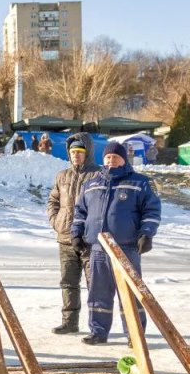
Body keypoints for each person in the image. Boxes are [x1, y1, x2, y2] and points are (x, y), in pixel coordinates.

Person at [70, 142, 161, 344]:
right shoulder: (91, 184)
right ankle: (98, 332)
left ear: (124, 159)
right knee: (98, 292)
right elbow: (80, 213)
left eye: (116, 157)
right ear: (103, 159)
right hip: (98, 248)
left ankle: (135, 334)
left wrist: (147, 234)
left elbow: (152, 211)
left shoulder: (140, 182)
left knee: (130, 292)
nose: (112, 160)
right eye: (108, 157)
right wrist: (76, 234)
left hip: (126, 247)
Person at [47, 133, 102, 334]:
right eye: (72, 152)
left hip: (89, 240)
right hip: (65, 237)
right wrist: (56, 221)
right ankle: (69, 322)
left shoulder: (98, 175)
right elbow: (53, 201)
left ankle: (97, 326)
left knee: (95, 284)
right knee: (68, 282)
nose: (76, 155)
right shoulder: (62, 176)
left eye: (79, 151)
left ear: (88, 153)